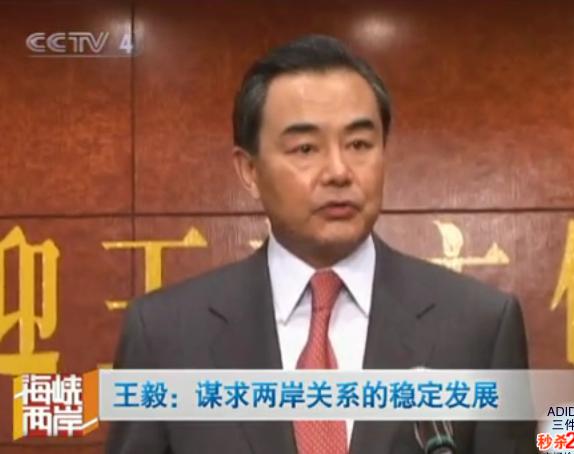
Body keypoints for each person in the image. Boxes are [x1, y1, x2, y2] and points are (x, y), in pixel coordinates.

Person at [107, 34, 535, 454]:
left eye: (359, 144)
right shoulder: (164, 335)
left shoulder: (479, 325)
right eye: (306, 148)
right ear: (249, 171)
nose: (338, 172)